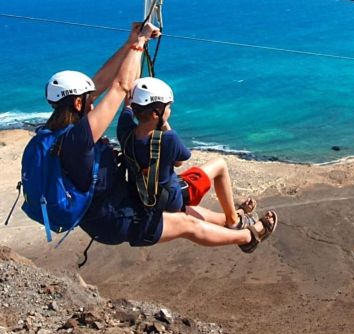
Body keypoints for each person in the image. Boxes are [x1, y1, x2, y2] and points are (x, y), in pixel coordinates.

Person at [44, 22, 277, 252]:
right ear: (77, 102)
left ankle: (233, 221)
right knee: (187, 224)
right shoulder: (79, 139)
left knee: (183, 212)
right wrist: (140, 43)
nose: (94, 99)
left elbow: (113, 85)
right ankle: (249, 236)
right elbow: (120, 88)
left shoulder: (55, 130)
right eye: (89, 98)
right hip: (115, 219)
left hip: (120, 202)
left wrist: (133, 43)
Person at [116, 76, 257, 228]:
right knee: (220, 165)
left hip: (142, 194)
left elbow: (128, 106)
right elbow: (179, 161)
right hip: (169, 200)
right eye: (168, 107)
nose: (169, 110)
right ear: (156, 114)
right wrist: (164, 125)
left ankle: (236, 214)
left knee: (189, 205)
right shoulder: (169, 138)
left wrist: (136, 96)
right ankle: (233, 220)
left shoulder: (124, 130)